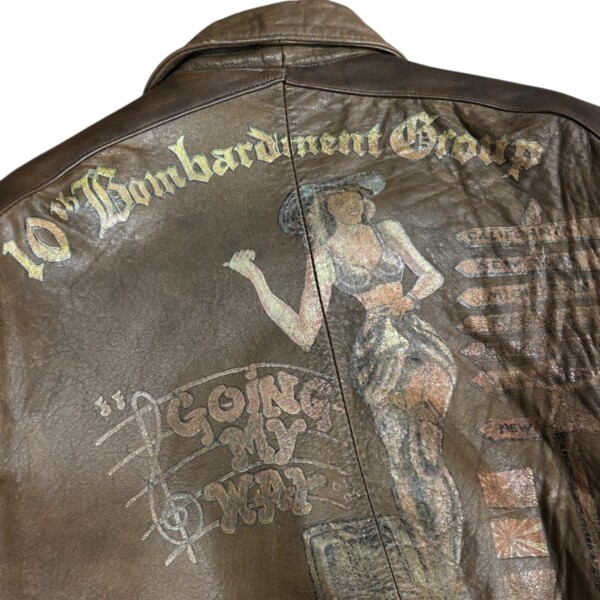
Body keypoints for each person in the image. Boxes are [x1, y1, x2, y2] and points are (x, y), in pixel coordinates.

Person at [224, 171, 469, 597]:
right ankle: (434, 567)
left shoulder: (389, 230)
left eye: (352, 196)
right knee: (404, 460)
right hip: (378, 354)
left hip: (419, 342)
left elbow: (432, 276)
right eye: (337, 201)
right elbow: (305, 331)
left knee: (427, 456)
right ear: (323, 209)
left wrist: (410, 299)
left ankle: (448, 567)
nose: (349, 205)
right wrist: (257, 279)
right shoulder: (323, 256)